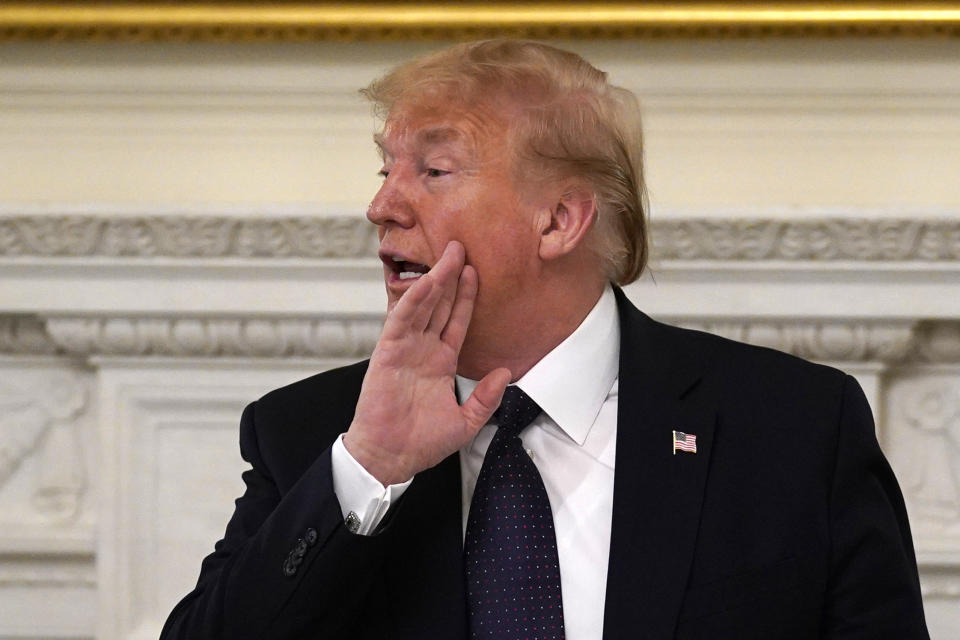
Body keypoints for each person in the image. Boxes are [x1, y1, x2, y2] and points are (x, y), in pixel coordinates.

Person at [160, 40, 928, 639]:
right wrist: (372, 470)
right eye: (385, 169)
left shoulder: (791, 428)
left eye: (432, 170)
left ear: (560, 221)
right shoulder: (314, 436)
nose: (381, 206)